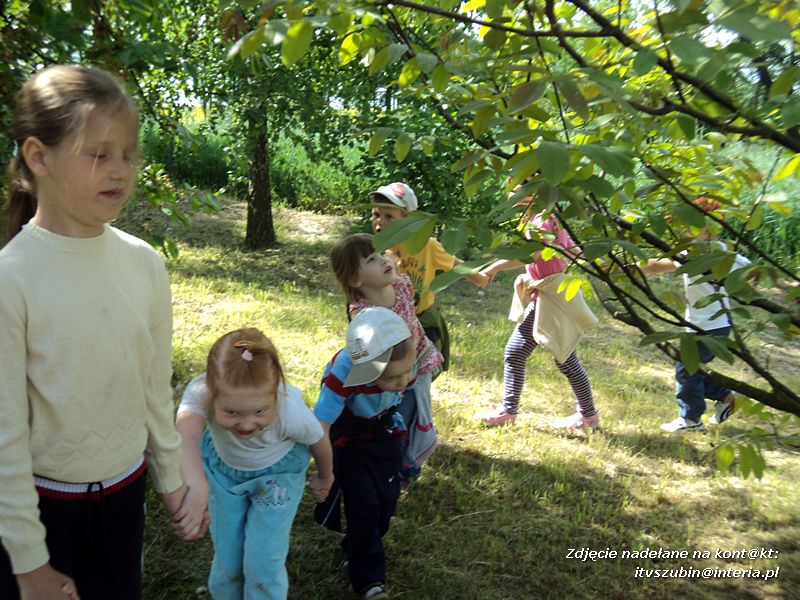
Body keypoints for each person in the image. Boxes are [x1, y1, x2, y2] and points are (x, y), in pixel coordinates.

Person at [0, 64, 190, 600]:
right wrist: (30, 562)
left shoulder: (145, 264)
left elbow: (154, 387)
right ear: (39, 157)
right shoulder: (11, 279)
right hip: (41, 514)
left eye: (129, 154)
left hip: (124, 501)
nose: (121, 171)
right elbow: (4, 439)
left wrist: (170, 476)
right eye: (99, 154)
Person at [176, 328, 334, 599]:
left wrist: (325, 476)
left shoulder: (290, 410)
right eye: (232, 412)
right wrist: (195, 486)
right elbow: (185, 431)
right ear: (211, 394)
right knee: (228, 554)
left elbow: (319, 442)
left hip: (278, 477)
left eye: (260, 412)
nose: (247, 424)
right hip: (224, 473)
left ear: (275, 393)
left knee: (262, 558)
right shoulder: (202, 391)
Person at [313, 307, 416, 600]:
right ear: (367, 371)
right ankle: (369, 579)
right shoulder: (344, 371)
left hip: (385, 432)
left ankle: (357, 544)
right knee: (364, 505)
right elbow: (320, 424)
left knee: (385, 502)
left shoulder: (400, 354)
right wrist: (325, 471)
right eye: (394, 378)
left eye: (408, 370)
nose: (404, 381)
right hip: (350, 437)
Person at [476, 203, 600, 430]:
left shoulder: (543, 218)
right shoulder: (544, 216)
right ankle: (511, 409)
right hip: (547, 294)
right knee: (524, 352)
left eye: (515, 182)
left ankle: (587, 416)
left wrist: (493, 268)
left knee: (560, 357)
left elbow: (529, 255)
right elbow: (569, 249)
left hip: (553, 297)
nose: (510, 190)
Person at [330, 233, 442, 483]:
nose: (383, 260)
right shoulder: (363, 313)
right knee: (395, 416)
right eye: (371, 258)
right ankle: (395, 465)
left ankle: (408, 461)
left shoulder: (401, 285)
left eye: (382, 253)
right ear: (354, 278)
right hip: (389, 377)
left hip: (418, 362)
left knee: (417, 412)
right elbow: (363, 353)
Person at [640, 197, 750, 433]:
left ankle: (691, 420)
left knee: (686, 369)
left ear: (707, 227)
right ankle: (726, 396)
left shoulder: (707, 254)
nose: (684, 228)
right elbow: (753, 270)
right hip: (715, 324)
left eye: (690, 223)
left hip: (709, 326)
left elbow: (753, 272)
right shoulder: (718, 253)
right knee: (692, 369)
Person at [369, 182, 490, 372]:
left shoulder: (427, 245)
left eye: (389, 217)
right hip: (390, 324)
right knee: (390, 375)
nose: (380, 222)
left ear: (408, 221)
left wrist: (479, 277)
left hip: (421, 321)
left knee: (418, 373)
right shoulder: (375, 249)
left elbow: (454, 264)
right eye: (376, 214)